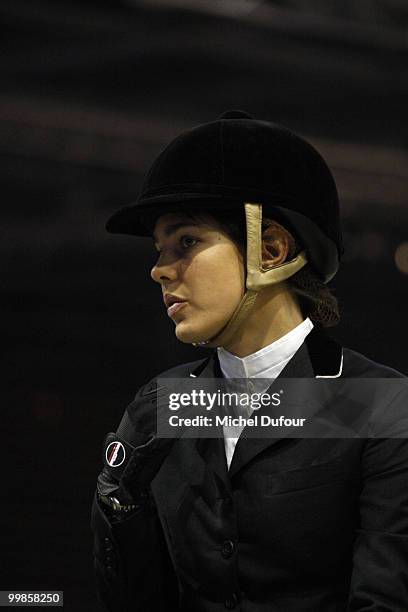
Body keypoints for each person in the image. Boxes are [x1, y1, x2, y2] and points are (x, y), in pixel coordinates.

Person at [91, 111, 408, 611]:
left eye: (186, 242)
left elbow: (385, 601)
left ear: (272, 249)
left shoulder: (381, 405)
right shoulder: (157, 409)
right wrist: (119, 505)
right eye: (159, 250)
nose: (158, 270)